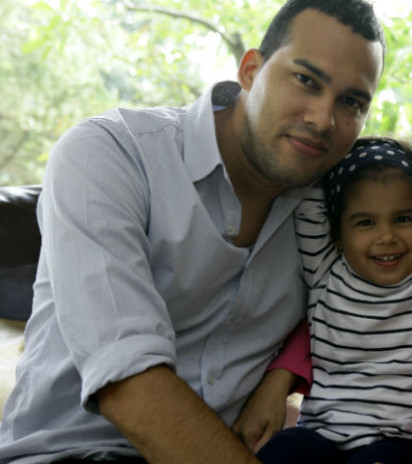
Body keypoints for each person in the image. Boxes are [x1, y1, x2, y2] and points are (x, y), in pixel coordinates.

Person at [0, 1, 384, 462]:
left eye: (352, 102)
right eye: (306, 80)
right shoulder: (110, 155)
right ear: (251, 70)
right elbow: (128, 386)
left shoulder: (337, 211)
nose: (323, 119)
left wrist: (280, 377)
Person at [250, 136, 412, 464]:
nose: (386, 236)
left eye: (403, 218)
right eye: (365, 222)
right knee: (282, 452)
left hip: (404, 443)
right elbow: (308, 182)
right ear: (338, 233)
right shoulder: (324, 270)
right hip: (321, 435)